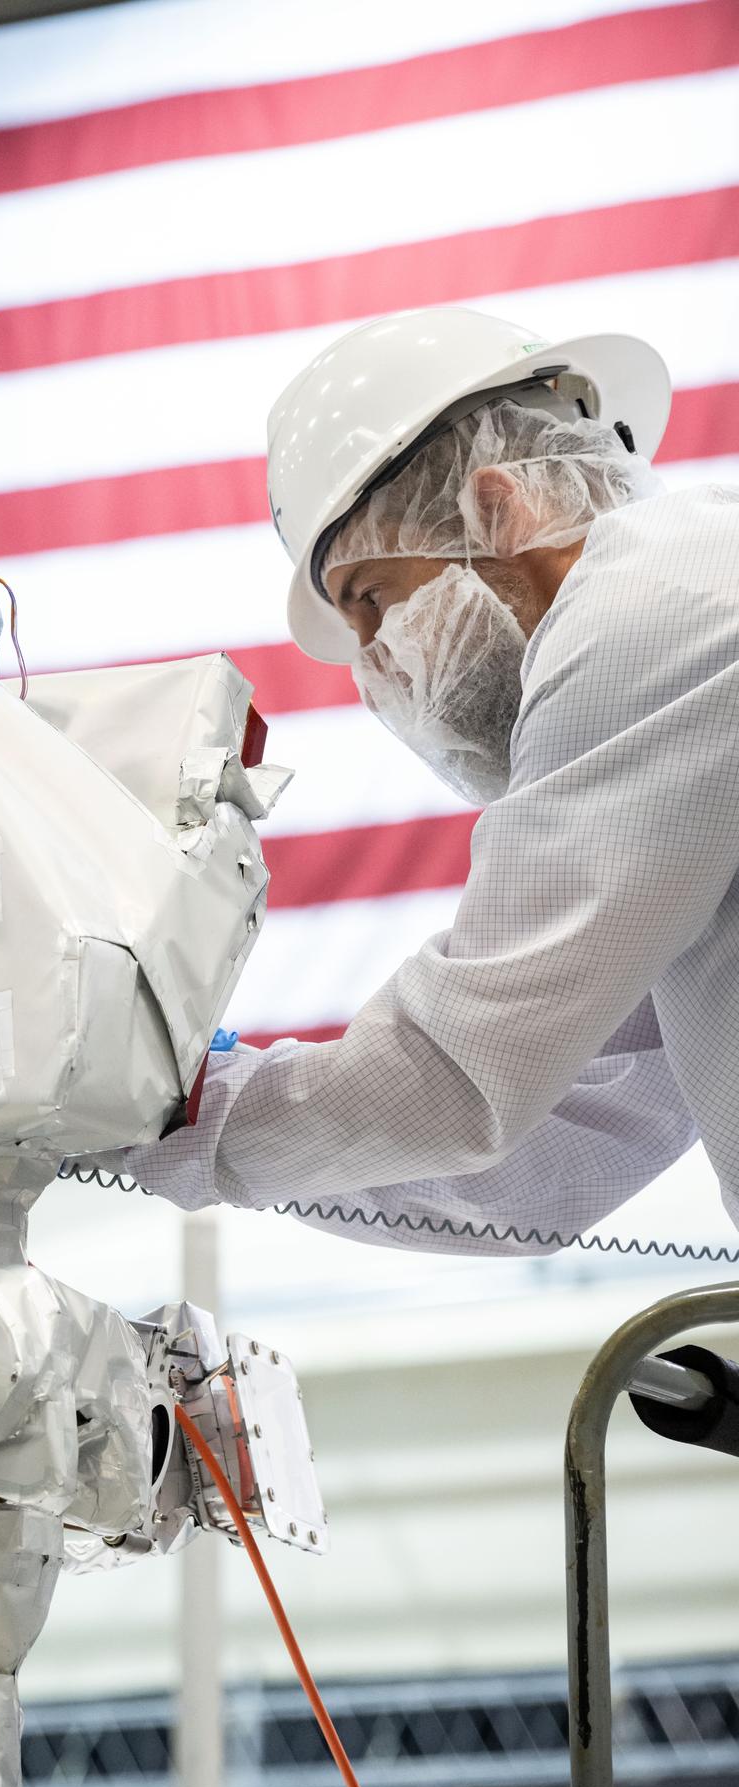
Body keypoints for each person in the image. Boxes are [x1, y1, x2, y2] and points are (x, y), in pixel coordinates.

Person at [122, 305, 739, 1250]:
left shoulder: (644, 614)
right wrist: (186, 1127)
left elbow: (455, 1076)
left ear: (498, 509)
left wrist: (140, 1105)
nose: (378, 669)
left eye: (372, 603)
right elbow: (545, 1155)